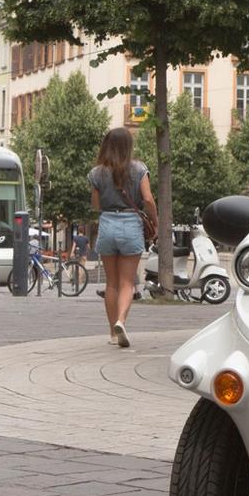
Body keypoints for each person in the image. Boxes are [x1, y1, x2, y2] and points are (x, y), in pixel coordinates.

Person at [89, 126, 154, 349]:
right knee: (128, 282)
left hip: (107, 224)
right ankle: (121, 321)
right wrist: (154, 220)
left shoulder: (97, 173)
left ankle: (112, 332)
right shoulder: (139, 169)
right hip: (130, 225)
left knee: (112, 283)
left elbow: (95, 206)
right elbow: (148, 199)